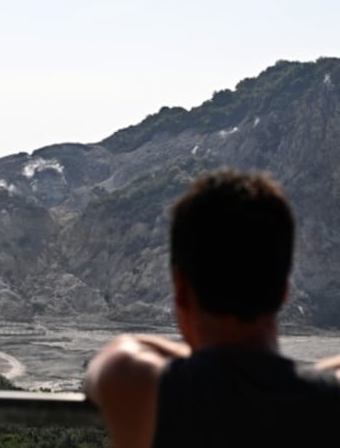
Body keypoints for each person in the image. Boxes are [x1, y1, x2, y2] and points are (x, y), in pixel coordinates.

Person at [84, 168, 340, 448]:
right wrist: (293, 373)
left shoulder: (140, 385)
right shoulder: (326, 401)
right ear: (284, 292)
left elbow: (122, 348)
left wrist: (208, 358)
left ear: (181, 290)